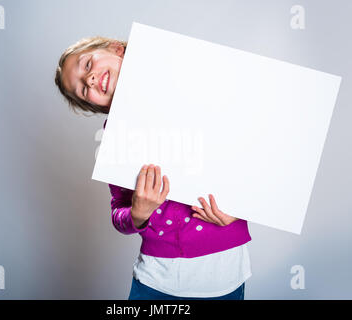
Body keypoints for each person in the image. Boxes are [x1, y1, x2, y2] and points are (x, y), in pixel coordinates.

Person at [54, 36, 252, 300]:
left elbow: (254, 162)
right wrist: (138, 214)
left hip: (227, 274)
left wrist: (241, 208)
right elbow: (118, 213)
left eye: (87, 64)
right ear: (93, 104)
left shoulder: (197, 87)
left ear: (118, 49)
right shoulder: (112, 137)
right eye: (81, 88)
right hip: (156, 282)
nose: (88, 79)